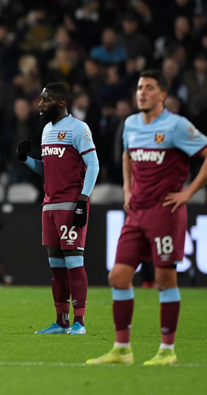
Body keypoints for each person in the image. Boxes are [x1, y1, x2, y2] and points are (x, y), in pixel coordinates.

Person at [87, 70, 207, 366]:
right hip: (136, 212)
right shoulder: (130, 124)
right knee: (118, 276)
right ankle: (122, 349)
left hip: (165, 213)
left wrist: (188, 193)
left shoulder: (177, 126)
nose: (141, 92)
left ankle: (167, 350)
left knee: (165, 278)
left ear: (162, 95)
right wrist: (128, 189)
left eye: (149, 88)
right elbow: (127, 155)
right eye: (139, 87)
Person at [17, 83, 99, 336]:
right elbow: (48, 169)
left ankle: (79, 322)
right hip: (49, 204)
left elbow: (93, 165)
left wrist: (83, 201)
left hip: (70, 203)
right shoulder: (46, 131)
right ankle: (61, 321)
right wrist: (26, 160)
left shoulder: (78, 128)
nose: (40, 104)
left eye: (45, 99)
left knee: (74, 262)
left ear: (61, 103)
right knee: (56, 266)